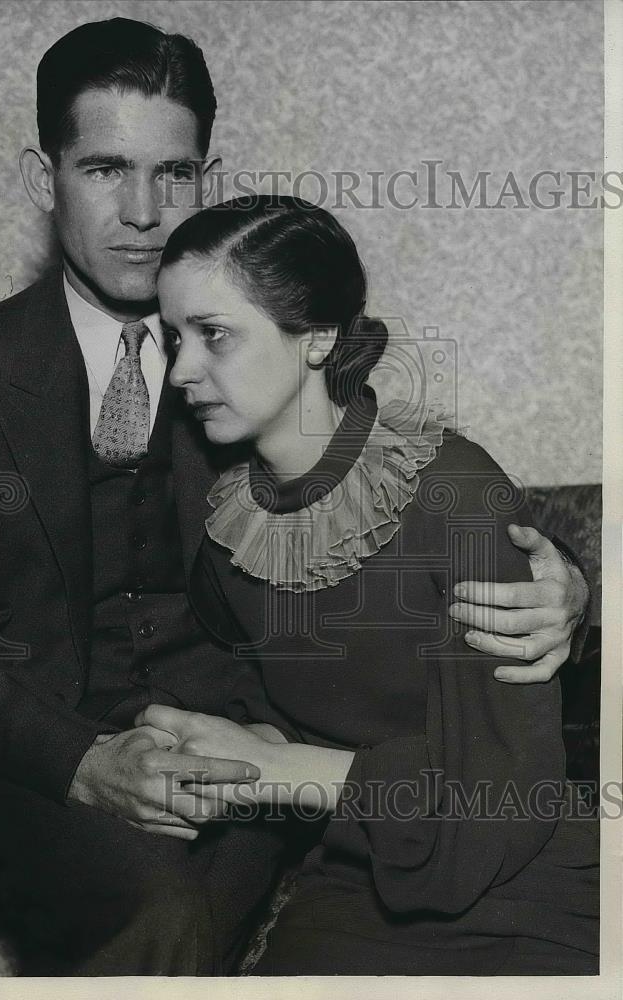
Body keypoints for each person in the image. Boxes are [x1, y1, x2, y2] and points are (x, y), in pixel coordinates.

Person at [0, 18, 590, 977]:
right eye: (105, 170)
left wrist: (568, 587)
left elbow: (415, 508)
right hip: (47, 761)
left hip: (246, 747)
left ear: (204, 179)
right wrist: (89, 763)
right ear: (41, 178)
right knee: (152, 911)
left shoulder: (260, 354)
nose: (143, 210)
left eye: (173, 175)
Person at [138, 195, 599, 975]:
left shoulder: (452, 490)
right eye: (174, 337)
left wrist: (281, 770)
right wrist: (207, 754)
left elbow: (499, 802)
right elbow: (275, 723)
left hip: (524, 880)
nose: (181, 370)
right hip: (355, 879)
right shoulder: (226, 531)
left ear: (316, 338)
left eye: (213, 334)